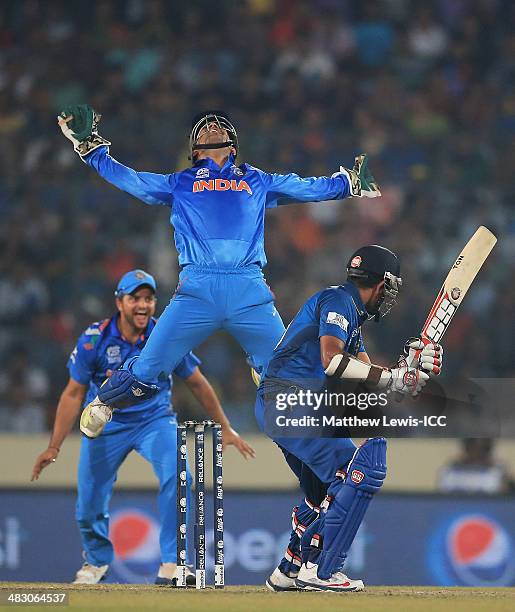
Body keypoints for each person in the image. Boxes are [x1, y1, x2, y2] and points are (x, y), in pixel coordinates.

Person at [57, 105, 381, 438]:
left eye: (220, 126)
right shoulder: (180, 182)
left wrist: (348, 183)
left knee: (288, 376)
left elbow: (306, 188)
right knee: (147, 369)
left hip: (248, 289)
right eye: (205, 127)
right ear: (194, 150)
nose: (212, 126)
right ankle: (103, 403)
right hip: (197, 290)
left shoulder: (256, 179)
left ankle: (267, 369)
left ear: (233, 145)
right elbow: (133, 181)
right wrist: (91, 150)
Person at [31, 269, 254, 585]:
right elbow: (73, 393)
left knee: (180, 476)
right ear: (119, 302)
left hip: (155, 420)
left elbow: (198, 383)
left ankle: (173, 564)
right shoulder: (94, 339)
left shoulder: (165, 335)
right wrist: (54, 446)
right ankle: (95, 563)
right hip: (106, 424)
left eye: (148, 298)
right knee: (89, 502)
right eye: (135, 298)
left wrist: (226, 427)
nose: (143, 305)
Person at [255, 245, 443, 592]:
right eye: (391, 287)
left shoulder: (351, 314)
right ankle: (318, 570)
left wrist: (408, 374)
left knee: (322, 492)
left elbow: (368, 375)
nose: (390, 297)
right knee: (357, 469)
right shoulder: (339, 300)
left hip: (287, 403)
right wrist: (392, 377)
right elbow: (331, 360)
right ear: (381, 282)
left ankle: (288, 570)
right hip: (291, 401)